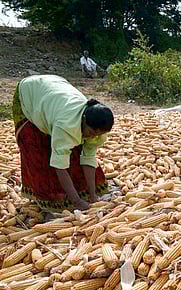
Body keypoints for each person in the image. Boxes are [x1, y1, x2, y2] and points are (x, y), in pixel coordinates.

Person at [12, 74, 114, 211]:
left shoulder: (96, 131)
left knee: (74, 153)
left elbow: (88, 159)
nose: (93, 137)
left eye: (98, 134)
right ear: (83, 120)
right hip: (30, 91)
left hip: (56, 88)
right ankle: (47, 201)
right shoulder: (65, 125)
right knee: (39, 152)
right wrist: (77, 202)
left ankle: (79, 193)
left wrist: (93, 195)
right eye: (90, 133)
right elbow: (59, 166)